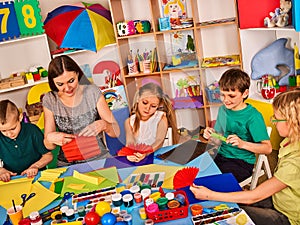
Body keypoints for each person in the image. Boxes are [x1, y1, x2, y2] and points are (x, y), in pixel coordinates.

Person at [190, 90, 300, 225]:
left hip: (287, 216)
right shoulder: (289, 142)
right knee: (230, 201)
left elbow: (253, 197)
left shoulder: (295, 162)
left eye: (276, 118)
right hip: (278, 199)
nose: (274, 122)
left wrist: (209, 195)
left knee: (231, 214)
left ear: (293, 122)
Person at [43, 55, 120, 166]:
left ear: (78, 74)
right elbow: (48, 145)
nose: (67, 88)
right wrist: (50, 138)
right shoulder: (50, 99)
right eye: (60, 84)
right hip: (68, 163)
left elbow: (116, 131)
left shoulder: (92, 92)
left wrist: (104, 125)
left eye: (71, 81)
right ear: (53, 82)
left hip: (99, 159)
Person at [203, 68, 272, 182]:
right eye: (222, 95)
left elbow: (268, 148)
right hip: (220, 155)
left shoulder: (253, 116)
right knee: (193, 174)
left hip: (241, 161)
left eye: (231, 96)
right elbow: (218, 140)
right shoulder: (223, 110)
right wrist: (212, 136)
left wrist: (242, 143)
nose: (225, 100)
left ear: (245, 93)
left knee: (216, 184)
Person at [124, 82, 179, 162]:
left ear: (158, 105)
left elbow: (159, 140)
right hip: (139, 159)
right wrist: (130, 153)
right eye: (145, 103)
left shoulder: (161, 118)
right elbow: (129, 142)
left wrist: (146, 153)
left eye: (153, 106)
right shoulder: (129, 121)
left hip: (157, 158)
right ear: (138, 99)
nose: (147, 108)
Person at [0, 100, 53, 182]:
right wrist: (1, 171)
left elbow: (48, 156)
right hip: (12, 179)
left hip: (38, 176)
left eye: (13, 128)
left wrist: (35, 166)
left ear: (20, 117)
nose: (9, 134)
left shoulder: (32, 131)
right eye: (4, 131)